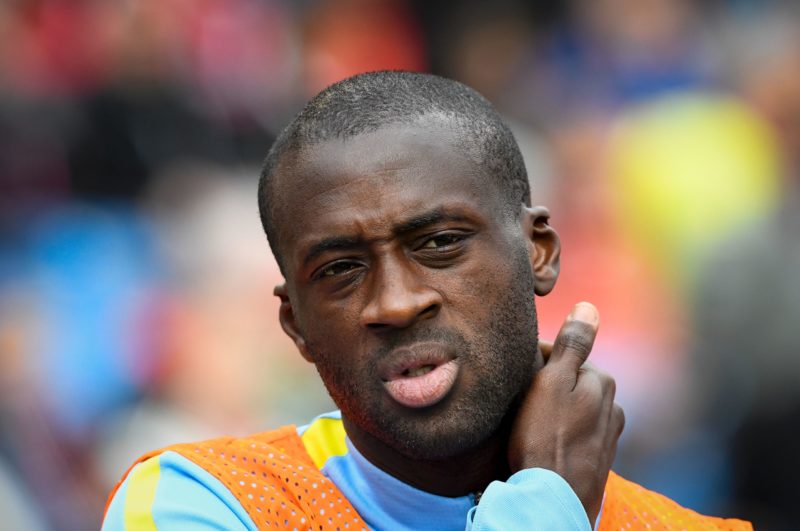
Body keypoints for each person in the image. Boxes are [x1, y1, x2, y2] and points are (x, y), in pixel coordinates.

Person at [102, 71, 750, 530]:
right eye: (340, 269)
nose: (397, 301)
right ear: (294, 324)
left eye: (439, 242)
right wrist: (546, 503)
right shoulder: (204, 503)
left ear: (541, 252)